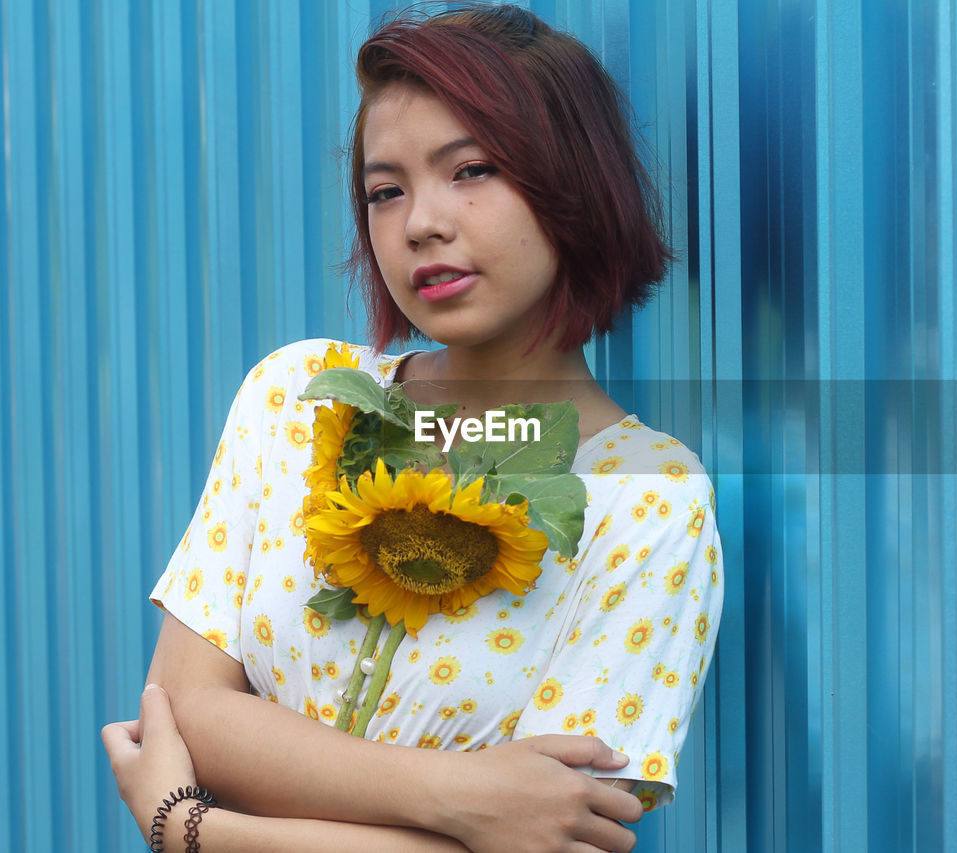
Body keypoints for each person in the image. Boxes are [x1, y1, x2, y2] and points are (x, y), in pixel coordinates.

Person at [103, 6, 723, 852]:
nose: (420, 221)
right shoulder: (302, 396)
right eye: (384, 191)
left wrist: (195, 829)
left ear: (573, 181)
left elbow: (554, 836)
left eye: (471, 170)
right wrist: (462, 795)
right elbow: (183, 708)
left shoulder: (648, 494)